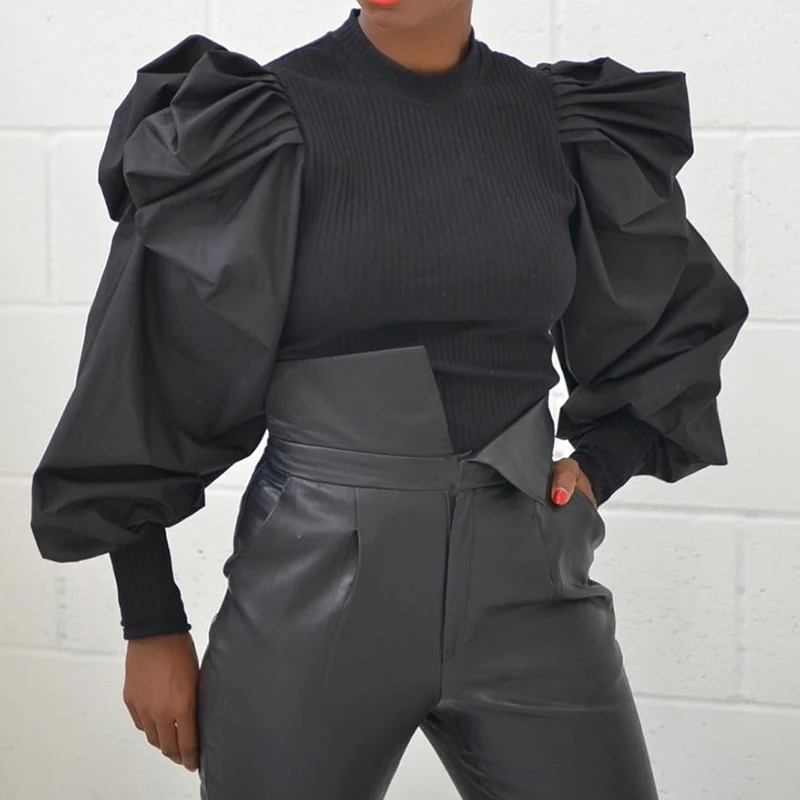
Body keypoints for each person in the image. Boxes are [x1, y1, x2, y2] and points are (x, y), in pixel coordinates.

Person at [30, 1, 748, 798]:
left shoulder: (555, 124)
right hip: (310, 603)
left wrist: (602, 464)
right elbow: (140, 372)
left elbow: (677, 316)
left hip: (531, 590)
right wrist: (151, 620)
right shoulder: (260, 126)